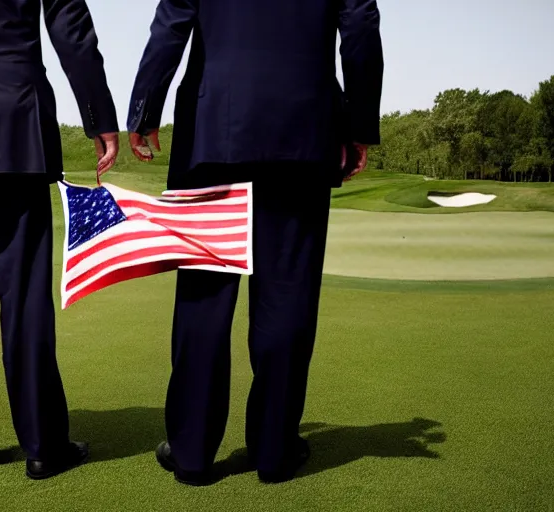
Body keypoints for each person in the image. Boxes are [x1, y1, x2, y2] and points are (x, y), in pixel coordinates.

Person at [127, 0, 383, 485]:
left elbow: (171, 22)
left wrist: (144, 110)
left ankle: (191, 454)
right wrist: (358, 126)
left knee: (203, 300)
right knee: (287, 296)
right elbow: (361, 24)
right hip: (303, 130)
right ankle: (274, 450)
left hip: (212, 132)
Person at [0, 0, 119, 479]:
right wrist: (100, 119)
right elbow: (71, 30)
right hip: (16, 127)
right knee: (26, 302)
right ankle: (42, 445)